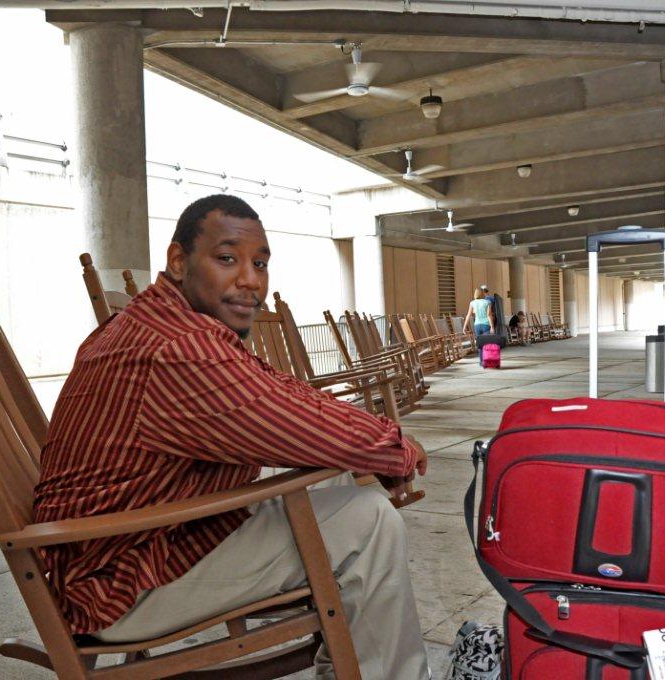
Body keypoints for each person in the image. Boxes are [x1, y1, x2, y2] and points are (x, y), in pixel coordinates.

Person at [34, 194, 430, 679]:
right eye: (227, 259)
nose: (250, 280)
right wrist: (397, 450)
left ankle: (354, 663)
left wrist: (376, 453)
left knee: (331, 486)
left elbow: (280, 393)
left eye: (259, 264)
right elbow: (292, 420)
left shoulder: (158, 320)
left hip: (134, 540)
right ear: (178, 262)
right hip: (120, 582)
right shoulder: (180, 347)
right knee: (369, 521)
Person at [463, 287, 496, 365]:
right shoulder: (487, 302)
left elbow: (468, 315)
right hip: (486, 325)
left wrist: (464, 327)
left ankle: (481, 361)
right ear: (483, 293)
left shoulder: (472, 303)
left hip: (477, 325)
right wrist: (492, 326)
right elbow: (489, 314)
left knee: (480, 344)